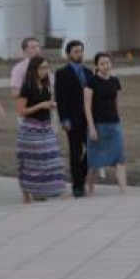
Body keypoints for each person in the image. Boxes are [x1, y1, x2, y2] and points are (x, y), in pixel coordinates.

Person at [16, 55, 67, 202]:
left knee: (53, 158)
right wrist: (41, 105)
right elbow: (20, 111)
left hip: (46, 126)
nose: (45, 71)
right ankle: (27, 194)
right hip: (30, 129)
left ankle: (54, 189)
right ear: (34, 69)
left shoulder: (46, 85)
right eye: (42, 68)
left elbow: (48, 103)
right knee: (31, 163)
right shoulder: (27, 86)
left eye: (47, 67)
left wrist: (51, 105)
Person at [84, 52, 127, 195]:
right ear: (97, 66)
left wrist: (119, 121)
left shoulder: (115, 81)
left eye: (108, 63)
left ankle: (123, 190)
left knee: (120, 159)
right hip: (98, 125)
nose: (105, 66)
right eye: (102, 63)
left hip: (114, 124)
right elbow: (87, 107)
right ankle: (90, 188)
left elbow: (116, 103)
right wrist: (91, 127)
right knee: (95, 162)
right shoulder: (91, 82)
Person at [54, 40, 91, 198]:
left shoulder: (89, 72)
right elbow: (60, 98)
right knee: (76, 152)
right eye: (76, 51)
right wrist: (64, 120)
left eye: (81, 51)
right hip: (72, 119)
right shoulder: (62, 73)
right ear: (69, 54)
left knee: (92, 150)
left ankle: (80, 177)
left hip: (89, 119)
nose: (79, 54)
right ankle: (78, 187)